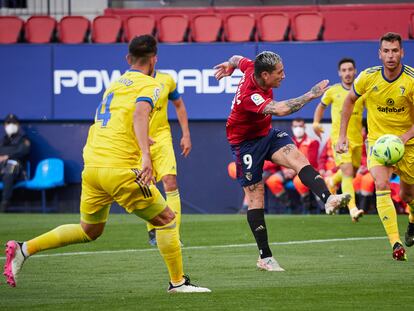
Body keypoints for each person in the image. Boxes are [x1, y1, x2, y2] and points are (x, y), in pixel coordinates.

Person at [3, 35, 210, 293]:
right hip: (120, 169)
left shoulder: (113, 85)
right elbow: (140, 113)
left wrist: (141, 138)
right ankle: (178, 282)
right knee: (167, 220)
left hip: (92, 167)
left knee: (89, 230)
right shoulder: (151, 83)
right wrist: (146, 155)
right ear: (154, 59)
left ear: (128, 59)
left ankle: (24, 249)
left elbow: (120, 119)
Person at [214, 51, 351, 272]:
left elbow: (236, 57)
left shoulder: (251, 66)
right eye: (280, 72)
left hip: (265, 135)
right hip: (245, 144)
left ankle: (328, 198)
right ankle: (265, 257)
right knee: (256, 195)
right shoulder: (250, 95)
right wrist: (310, 95)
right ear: (265, 75)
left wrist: (230, 66)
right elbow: (281, 109)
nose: (284, 76)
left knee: (297, 157)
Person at [336, 32, 414, 261]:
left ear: (402, 52)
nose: (391, 55)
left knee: (408, 194)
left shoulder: (411, 80)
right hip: (379, 144)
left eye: (395, 51)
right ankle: (395, 243)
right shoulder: (367, 78)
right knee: (381, 183)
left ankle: (411, 222)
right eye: (386, 51)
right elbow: (349, 100)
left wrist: (405, 136)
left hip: (408, 145)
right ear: (379, 54)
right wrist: (342, 135)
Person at [313, 58, 365, 222]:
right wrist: (316, 122)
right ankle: (353, 209)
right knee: (348, 172)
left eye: (350, 69)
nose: (347, 73)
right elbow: (321, 106)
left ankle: (332, 181)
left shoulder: (361, 92)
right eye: (344, 70)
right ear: (339, 73)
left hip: (357, 139)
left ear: (355, 71)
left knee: (353, 172)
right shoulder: (333, 91)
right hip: (340, 139)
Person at [146, 61, 191, 246]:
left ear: (154, 58)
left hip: (162, 137)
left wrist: (186, 134)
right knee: (147, 185)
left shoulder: (166, 80)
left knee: (170, 181)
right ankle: (153, 229)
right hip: (138, 140)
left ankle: (173, 237)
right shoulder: (129, 82)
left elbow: (179, 105)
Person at [288, 118, 320, 214]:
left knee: (299, 181)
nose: (298, 128)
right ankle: (290, 207)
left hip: (306, 171)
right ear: (292, 127)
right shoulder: (287, 142)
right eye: (295, 126)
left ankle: (307, 207)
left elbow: (311, 160)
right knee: (272, 180)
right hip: (289, 172)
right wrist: (285, 170)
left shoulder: (312, 142)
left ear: (305, 127)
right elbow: (281, 157)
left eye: (300, 126)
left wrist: (295, 169)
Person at [0, 113, 30, 212]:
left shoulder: (23, 139)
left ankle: (4, 203)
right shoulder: (3, 140)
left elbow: (23, 151)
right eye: (8, 123)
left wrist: (7, 156)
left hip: (16, 168)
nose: (10, 125)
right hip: (1, 166)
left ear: (18, 125)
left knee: (8, 173)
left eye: (13, 123)